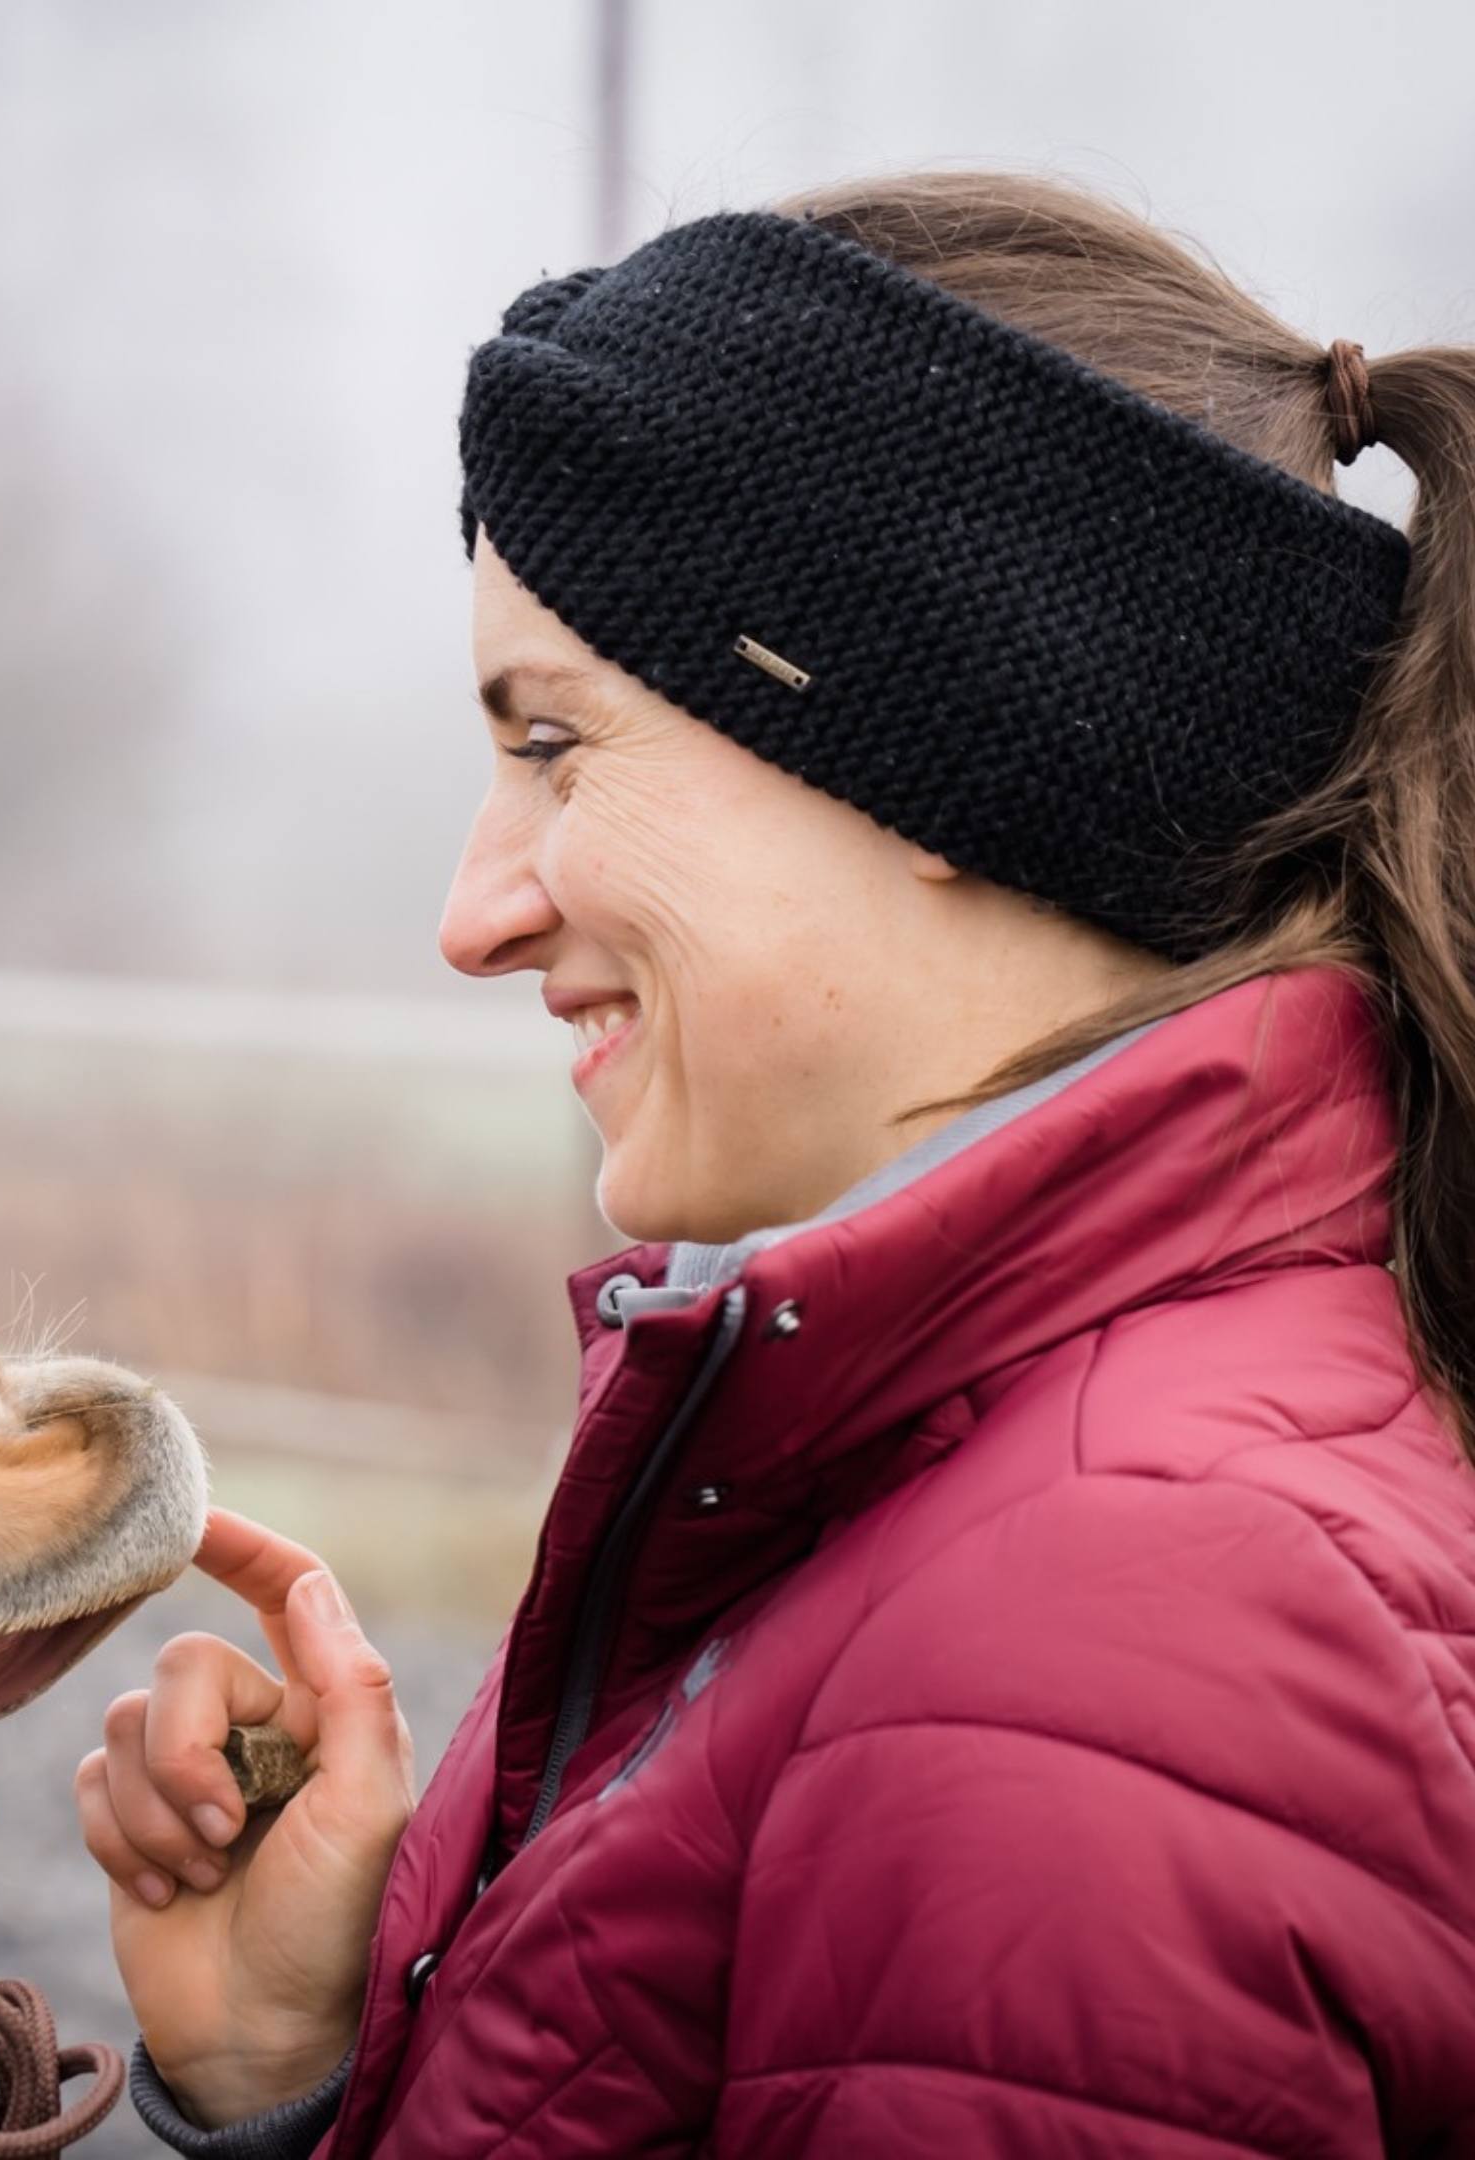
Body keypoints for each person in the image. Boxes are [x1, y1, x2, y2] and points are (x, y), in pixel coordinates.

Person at [74, 170, 1475, 2156]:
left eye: (553, 745)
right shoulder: (936, 1470)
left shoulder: (1117, 1635)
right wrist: (290, 2077)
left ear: (950, 747)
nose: (472, 916)